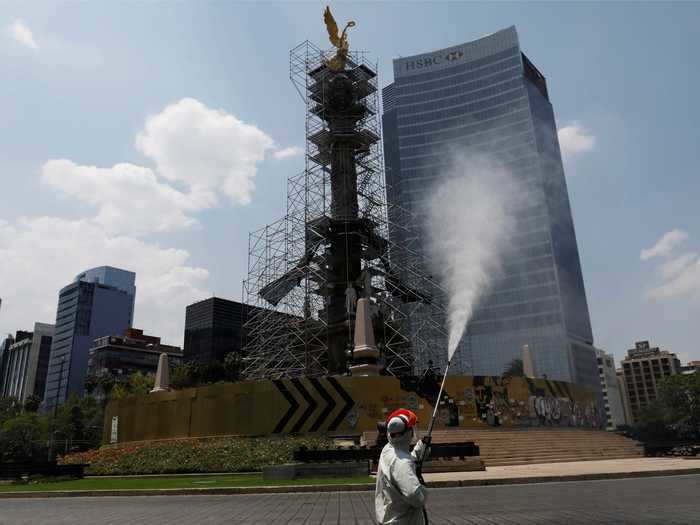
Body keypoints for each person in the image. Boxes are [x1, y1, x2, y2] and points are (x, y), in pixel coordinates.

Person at [375, 408, 431, 524]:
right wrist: (423, 490)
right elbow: (414, 496)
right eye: (411, 429)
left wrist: (420, 448)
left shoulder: (388, 450)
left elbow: (401, 463)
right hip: (404, 520)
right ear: (407, 433)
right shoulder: (402, 463)